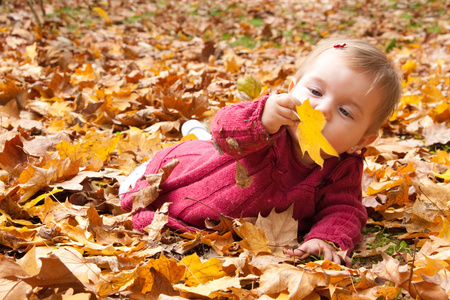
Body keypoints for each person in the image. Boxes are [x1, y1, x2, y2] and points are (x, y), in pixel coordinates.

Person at [120, 37, 401, 266]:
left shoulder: (341, 167)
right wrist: (262, 118)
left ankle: (197, 136)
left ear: (362, 140)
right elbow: (224, 129)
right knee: (191, 155)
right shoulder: (269, 123)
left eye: (344, 111)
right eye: (315, 92)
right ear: (292, 90)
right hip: (198, 171)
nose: (322, 109)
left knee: (207, 144)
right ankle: (189, 142)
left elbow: (344, 209)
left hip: (239, 218)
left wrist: (327, 239)